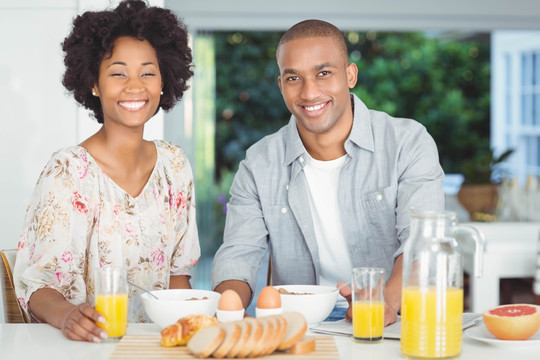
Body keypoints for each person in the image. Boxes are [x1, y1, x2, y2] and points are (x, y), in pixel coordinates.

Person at [211, 19, 444, 325]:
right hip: (300, 325)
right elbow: (237, 255)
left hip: (398, 317)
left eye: (323, 73)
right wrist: (228, 310)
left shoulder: (407, 143)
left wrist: (381, 304)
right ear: (281, 86)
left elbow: (422, 243)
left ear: (350, 75)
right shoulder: (259, 163)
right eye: (293, 78)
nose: (309, 92)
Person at [13, 0, 199, 342]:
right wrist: (69, 315)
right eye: (117, 72)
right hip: (83, 347)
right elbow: (37, 286)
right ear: (93, 84)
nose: (135, 85)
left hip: (154, 346)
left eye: (147, 72)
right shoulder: (67, 172)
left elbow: (178, 276)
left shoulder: (175, 166)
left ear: (163, 81)